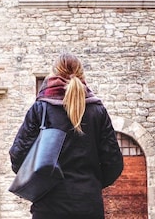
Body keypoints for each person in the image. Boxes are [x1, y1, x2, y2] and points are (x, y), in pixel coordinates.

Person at [9, 53, 123, 219]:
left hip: (48, 205)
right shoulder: (98, 111)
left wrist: (39, 181)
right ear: (81, 74)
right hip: (88, 205)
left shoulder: (40, 109)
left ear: (54, 74)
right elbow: (113, 162)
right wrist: (90, 184)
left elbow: (17, 155)